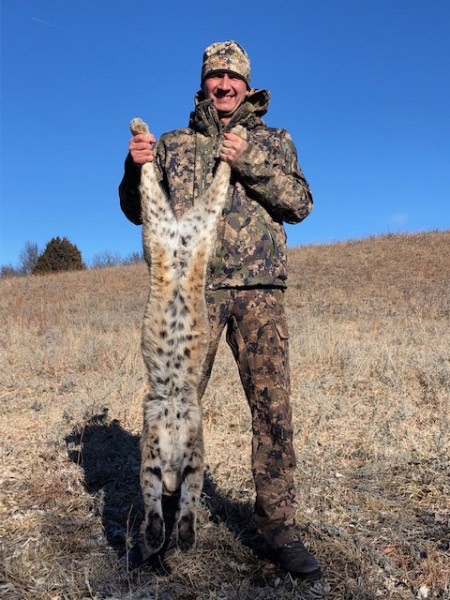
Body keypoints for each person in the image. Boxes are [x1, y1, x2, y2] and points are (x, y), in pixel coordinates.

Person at [119, 40, 321, 580]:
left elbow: (300, 204)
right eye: (216, 76)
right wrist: (131, 166)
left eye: (233, 76)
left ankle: (279, 530)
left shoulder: (274, 140)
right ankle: (156, 532)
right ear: (204, 82)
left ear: (248, 84)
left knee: (273, 413)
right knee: (172, 409)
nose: (224, 84)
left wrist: (247, 158)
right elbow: (137, 209)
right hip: (193, 293)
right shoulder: (176, 144)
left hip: (260, 293)